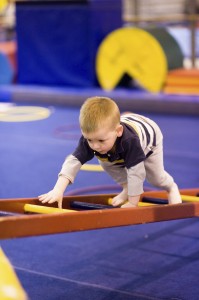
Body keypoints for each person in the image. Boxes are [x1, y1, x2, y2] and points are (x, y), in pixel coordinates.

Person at [38, 96, 182, 208]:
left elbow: (136, 172)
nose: (95, 146)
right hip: (120, 129)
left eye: (101, 141)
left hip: (150, 139)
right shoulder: (92, 138)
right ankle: (126, 188)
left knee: (155, 178)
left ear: (118, 131)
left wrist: (133, 202)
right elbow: (73, 162)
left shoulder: (129, 141)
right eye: (90, 140)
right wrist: (58, 190)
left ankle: (171, 187)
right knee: (105, 161)